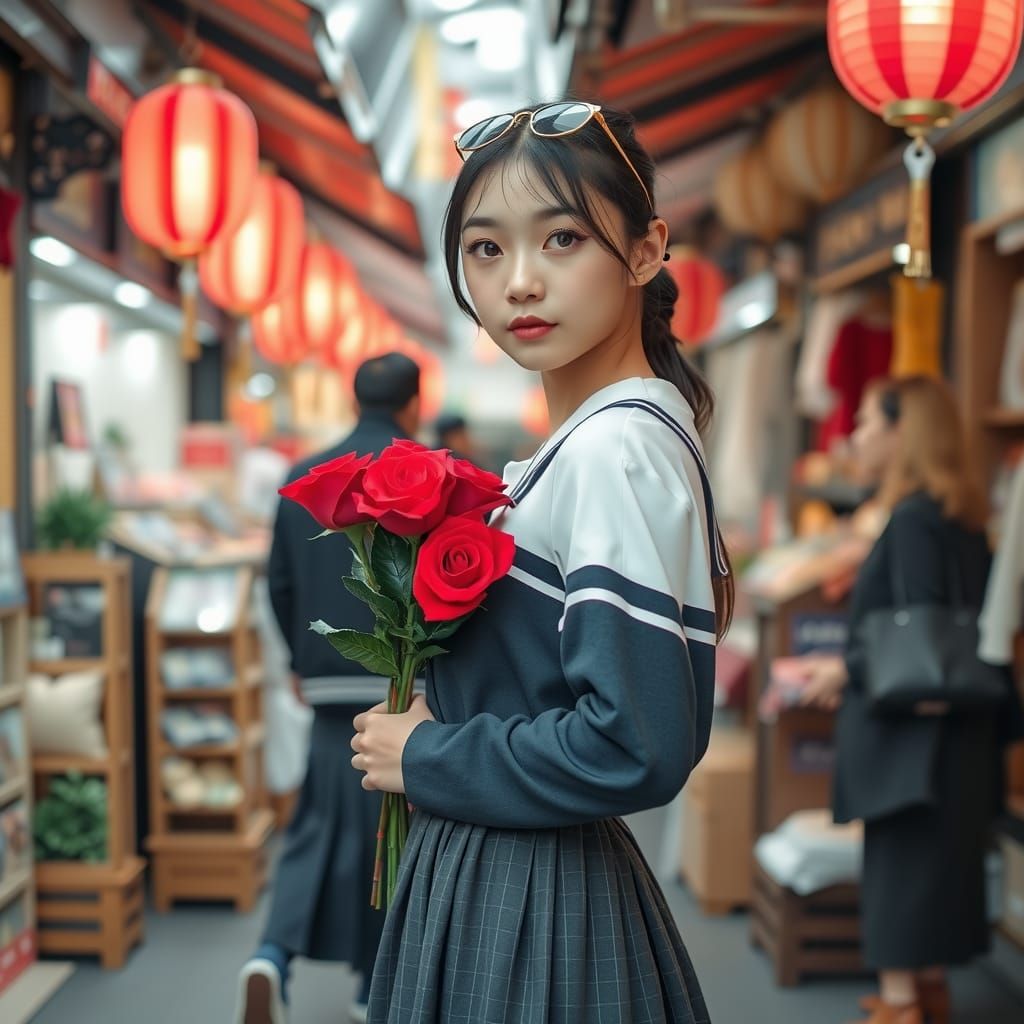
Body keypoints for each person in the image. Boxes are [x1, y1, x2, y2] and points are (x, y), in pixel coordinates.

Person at [350, 100, 733, 1023]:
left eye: (561, 239)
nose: (520, 281)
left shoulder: (613, 450)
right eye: (486, 249)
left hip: (529, 889)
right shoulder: (609, 440)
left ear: (645, 251)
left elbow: (633, 743)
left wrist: (431, 753)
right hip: (527, 869)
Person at [799, 377, 1024, 1024]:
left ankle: (900, 1007)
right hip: (959, 736)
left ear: (904, 433)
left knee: (900, 879)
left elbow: (917, 638)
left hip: (911, 743)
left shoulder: (912, 519)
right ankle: (922, 997)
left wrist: (846, 669)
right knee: (934, 879)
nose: (856, 434)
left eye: (869, 421)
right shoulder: (964, 517)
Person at [235, 352, 422, 1024]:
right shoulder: (430, 475)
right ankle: (372, 984)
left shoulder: (301, 476)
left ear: (351, 398)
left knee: (317, 819)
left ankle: (273, 954)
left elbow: (277, 583)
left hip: (326, 678)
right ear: (414, 403)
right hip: (403, 684)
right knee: (386, 825)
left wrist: (299, 660)